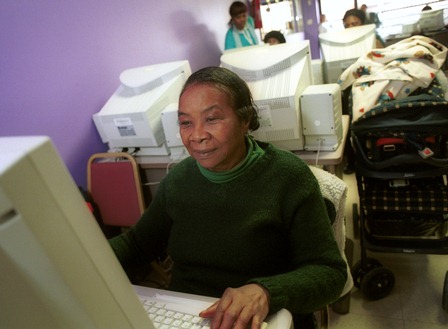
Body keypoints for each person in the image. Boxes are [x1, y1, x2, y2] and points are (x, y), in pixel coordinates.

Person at [109, 66, 347, 329]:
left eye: (212, 119)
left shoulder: (288, 178)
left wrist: (266, 291)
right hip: (189, 316)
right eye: (186, 122)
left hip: (265, 319)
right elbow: (136, 245)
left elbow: (330, 272)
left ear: (245, 120)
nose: (197, 135)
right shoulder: (178, 181)